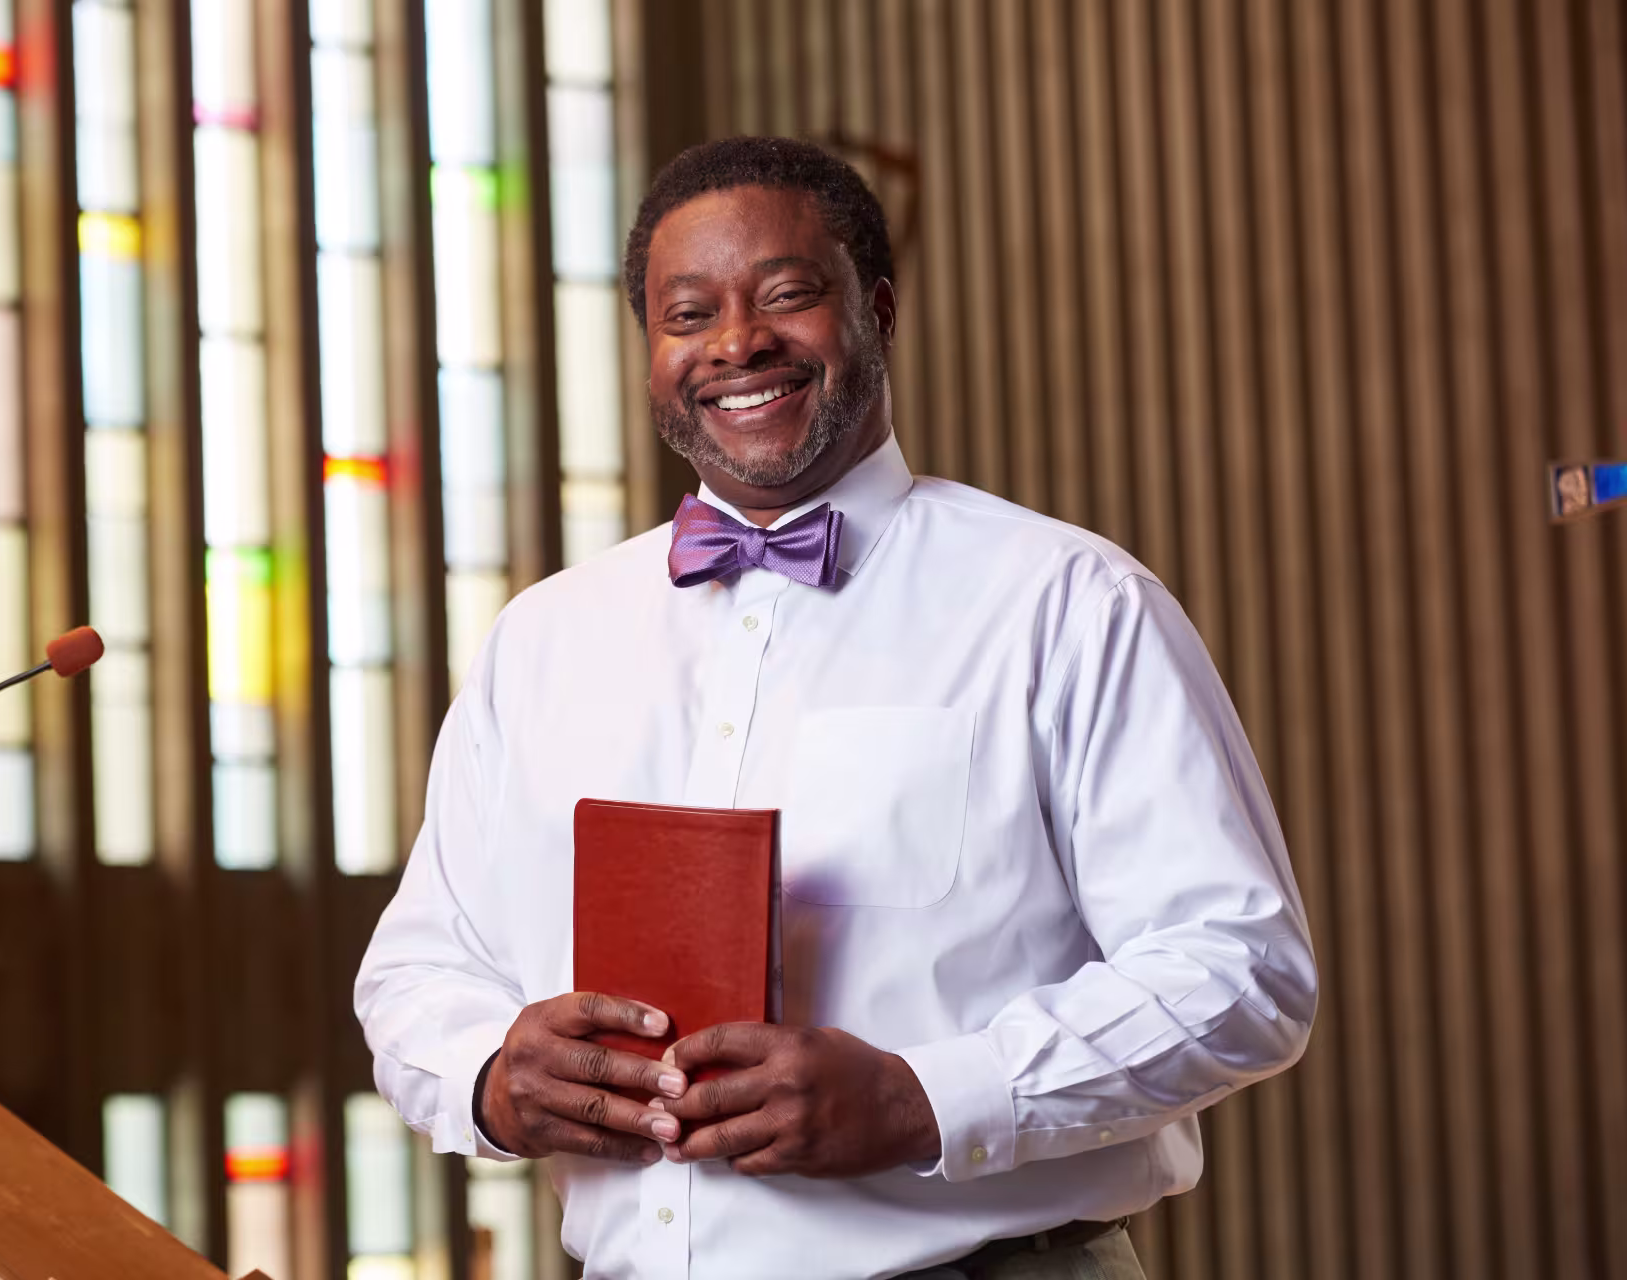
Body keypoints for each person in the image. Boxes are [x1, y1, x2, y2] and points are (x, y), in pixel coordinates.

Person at [355, 136, 1316, 1280]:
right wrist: (490, 1075)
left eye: (787, 295)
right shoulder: (542, 640)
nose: (736, 342)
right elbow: (418, 971)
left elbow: (1240, 967)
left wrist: (926, 1097)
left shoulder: (1065, 602)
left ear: (879, 309)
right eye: (687, 313)